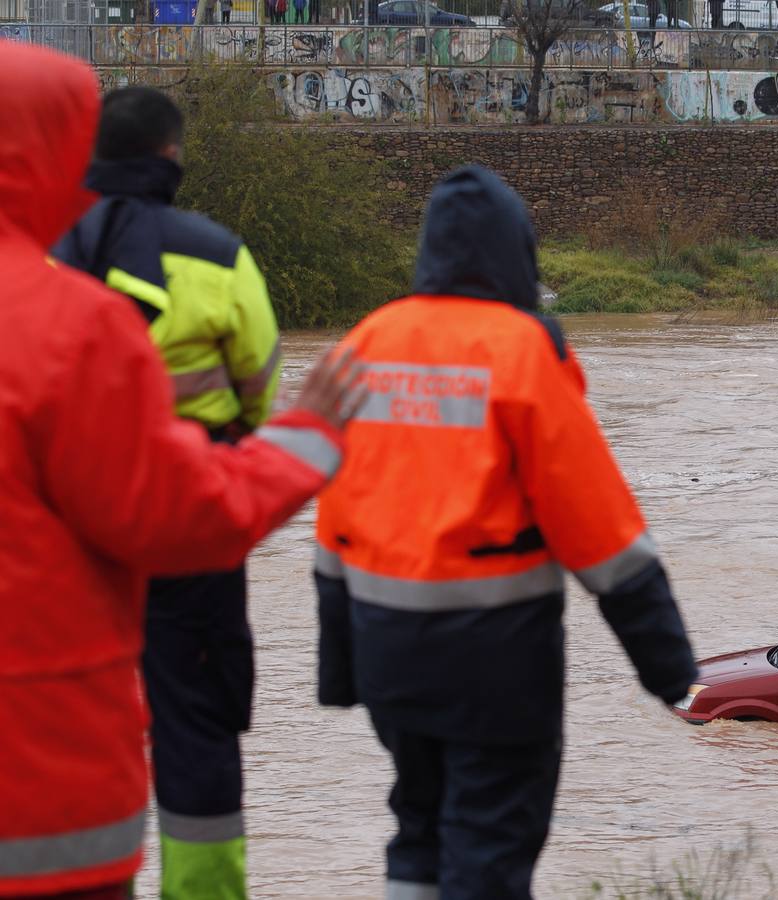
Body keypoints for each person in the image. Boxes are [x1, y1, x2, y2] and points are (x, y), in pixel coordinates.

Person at [0, 42, 363, 899]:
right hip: (173, 531)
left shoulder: (61, 270)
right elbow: (256, 378)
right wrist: (303, 440)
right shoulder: (89, 313)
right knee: (196, 725)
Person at [314, 165, 697, 900]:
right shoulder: (525, 349)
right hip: (493, 659)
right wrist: (670, 670)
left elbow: (336, 523)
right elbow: (601, 532)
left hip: (386, 649)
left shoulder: (365, 341)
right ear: (515, 252)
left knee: (418, 826)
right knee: (490, 839)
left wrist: (339, 669)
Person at [52, 86, 282, 900]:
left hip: (66, 522)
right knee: (198, 721)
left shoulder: (46, 252)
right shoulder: (216, 254)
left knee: (62, 713)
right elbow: (260, 383)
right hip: (190, 514)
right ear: (173, 155)